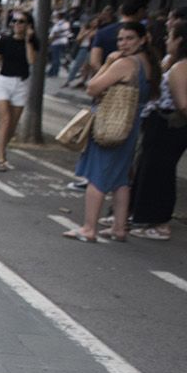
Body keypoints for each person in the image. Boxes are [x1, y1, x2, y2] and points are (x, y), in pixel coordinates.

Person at [68, 22, 156, 242]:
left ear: (143, 39)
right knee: (121, 178)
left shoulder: (125, 63)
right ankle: (119, 227)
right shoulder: (148, 63)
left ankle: (89, 228)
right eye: (120, 39)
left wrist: (108, 63)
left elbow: (93, 87)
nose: (123, 43)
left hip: (111, 124)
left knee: (97, 175)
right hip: (131, 125)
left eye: (130, 39)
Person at [129, 25, 187, 240]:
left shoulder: (181, 67)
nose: (167, 40)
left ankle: (159, 222)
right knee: (147, 168)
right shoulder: (174, 63)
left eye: (171, 36)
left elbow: (182, 104)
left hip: (168, 126)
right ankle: (140, 215)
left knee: (159, 173)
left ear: (180, 40)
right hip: (161, 125)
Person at [0, 10, 40, 171]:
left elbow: (31, 60)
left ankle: (2, 148)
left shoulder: (33, 42)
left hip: (21, 84)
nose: (17, 25)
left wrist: (28, 40)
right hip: (4, 82)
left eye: (21, 22)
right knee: (5, 119)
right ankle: (1, 158)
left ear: (28, 25)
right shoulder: (5, 41)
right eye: (15, 21)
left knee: (12, 124)